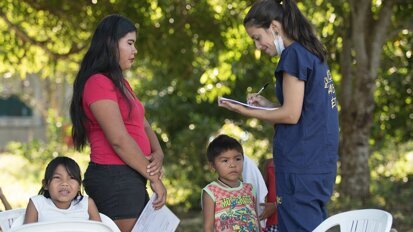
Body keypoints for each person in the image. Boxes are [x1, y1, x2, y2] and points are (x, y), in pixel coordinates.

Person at [218, 0, 339, 231]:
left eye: (256, 37)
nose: (257, 46)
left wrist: (245, 110)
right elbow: (303, 110)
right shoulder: (310, 53)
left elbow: (291, 115)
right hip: (317, 163)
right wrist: (267, 105)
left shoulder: (293, 55)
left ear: (274, 26)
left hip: (301, 165)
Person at [69, 14, 166, 232]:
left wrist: (158, 153)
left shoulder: (121, 84)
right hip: (114, 178)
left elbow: (143, 124)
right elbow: (119, 140)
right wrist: (154, 178)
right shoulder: (97, 82)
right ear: (111, 43)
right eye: (130, 43)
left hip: (131, 175)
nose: (135, 50)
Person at [201, 134, 261, 232]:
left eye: (237, 159)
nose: (233, 165)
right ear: (212, 166)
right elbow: (208, 227)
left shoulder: (250, 189)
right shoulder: (211, 192)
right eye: (225, 160)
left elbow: (256, 219)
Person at [23, 156, 101, 224]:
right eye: (57, 177)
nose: (64, 183)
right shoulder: (37, 204)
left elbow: (100, 229)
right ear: (46, 184)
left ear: (79, 186)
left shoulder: (87, 204)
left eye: (72, 178)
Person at [259, 158, 278, 232]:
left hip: (293, 220)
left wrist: (276, 205)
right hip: (273, 222)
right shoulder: (270, 163)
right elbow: (261, 192)